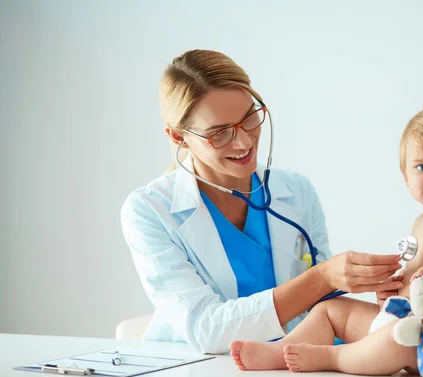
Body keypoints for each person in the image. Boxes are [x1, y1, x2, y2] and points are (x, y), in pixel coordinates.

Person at [119, 49, 404, 355]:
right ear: (179, 138)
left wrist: (373, 288)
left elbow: (321, 308)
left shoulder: (296, 191)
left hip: (291, 362)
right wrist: (322, 278)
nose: (243, 142)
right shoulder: (149, 211)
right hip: (200, 371)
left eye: (248, 119)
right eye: (220, 134)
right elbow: (206, 329)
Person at [230, 105, 423, 374]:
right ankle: (285, 348)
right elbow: (415, 283)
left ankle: (332, 357)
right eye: (422, 166)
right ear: (406, 176)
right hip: (401, 321)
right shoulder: (421, 222)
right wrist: (391, 292)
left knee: (396, 337)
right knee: (330, 309)